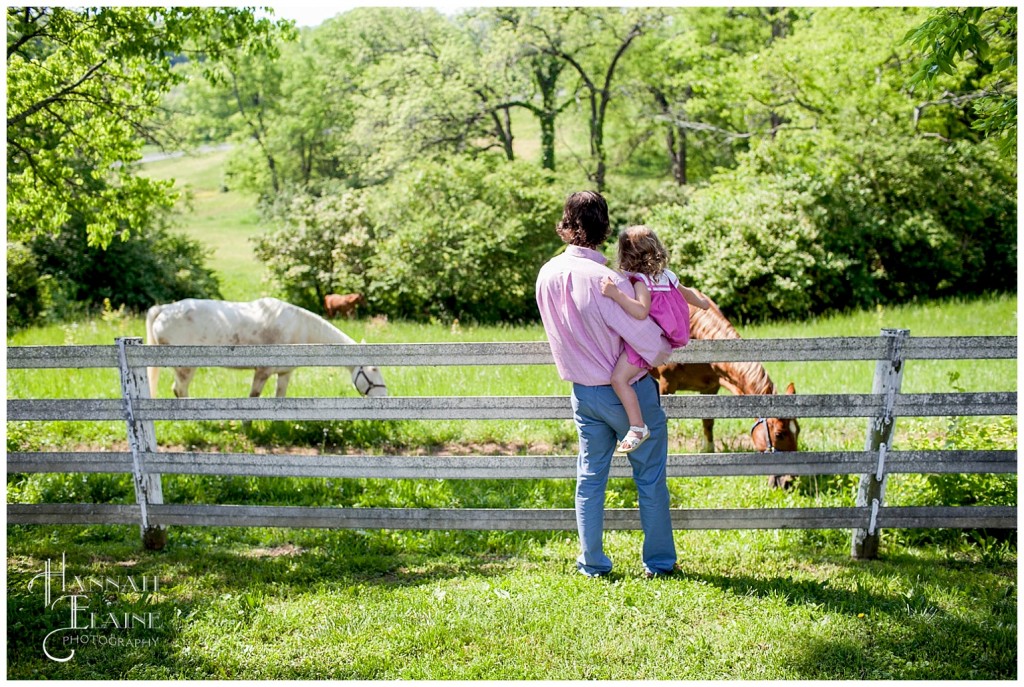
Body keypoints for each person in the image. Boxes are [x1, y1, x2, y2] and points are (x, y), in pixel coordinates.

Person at [535, 191, 677, 579]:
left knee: (590, 478)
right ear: (603, 228)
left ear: (566, 224)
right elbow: (651, 343)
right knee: (649, 477)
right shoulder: (608, 280)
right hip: (627, 392)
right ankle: (660, 563)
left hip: (583, 393)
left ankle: (592, 563)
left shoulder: (546, 274)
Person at [599, 225, 710, 454]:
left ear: (627, 254)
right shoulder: (667, 275)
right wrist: (704, 304)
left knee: (619, 380)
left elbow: (640, 311)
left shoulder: (640, 281)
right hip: (666, 338)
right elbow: (687, 293)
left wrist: (615, 294)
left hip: (647, 342)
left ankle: (637, 426)